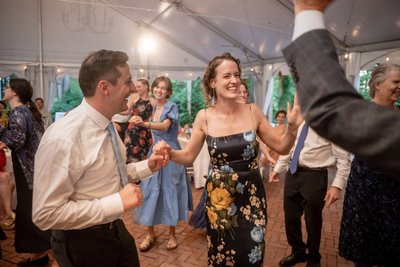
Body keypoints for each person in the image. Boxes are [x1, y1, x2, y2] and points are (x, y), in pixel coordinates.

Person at [154, 52, 302, 266]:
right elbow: (188, 156)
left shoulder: (253, 112)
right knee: (222, 255)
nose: (234, 80)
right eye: (226, 76)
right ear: (213, 82)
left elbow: (282, 146)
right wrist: (170, 152)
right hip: (219, 202)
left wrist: (293, 128)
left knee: (253, 254)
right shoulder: (204, 116)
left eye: (237, 75)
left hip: (252, 199)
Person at [32, 50, 168, 267]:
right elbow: (45, 214)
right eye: (128, 82)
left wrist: (147, 166)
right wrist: (116, 202)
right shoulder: (64, 138)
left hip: (116, 231)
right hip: (83, 244)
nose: (134, 88)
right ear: (104, 87)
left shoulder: (107, 124)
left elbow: (109, 173)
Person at [282, 0, 400, 180]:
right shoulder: (367, 109)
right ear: (377, 84)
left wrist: (309, 10)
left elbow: (331, 109)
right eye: (396, 81)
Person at [339, 63, 400, 267]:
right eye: (396, 82)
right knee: (364, 247)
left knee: (392, 246)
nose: (399, 86)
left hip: (394, 191)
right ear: (378, 84)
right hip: (366, 189)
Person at [269, 120, 351, 267]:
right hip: (292, 174)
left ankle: (314, 259)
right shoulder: (297, 121)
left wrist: (337, 185)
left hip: (315, 176)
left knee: (313, 221)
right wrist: (277, 169)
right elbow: (289, 148)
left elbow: (343, 159)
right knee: (290, 217)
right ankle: (298, 252)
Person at [129, 76, 193, 252]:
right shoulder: (154, 107)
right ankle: (151, 233)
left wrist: (144, 123)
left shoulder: (171, 106)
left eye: (163, 88)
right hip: (154, 153)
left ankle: (172, 235)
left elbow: (165, 127)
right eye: (157, 87)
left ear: (168, 92)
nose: (159, 90)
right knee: (149, 191)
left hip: (170, 154)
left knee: (170, 191)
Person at [1, 79, 53, 266]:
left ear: (15, 92)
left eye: (7, 88)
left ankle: (47, 251)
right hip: (33, 169)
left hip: (27, 171)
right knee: (28, 210)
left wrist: (0, 131)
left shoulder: (18, 112)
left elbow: (18, 140)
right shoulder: (28, 111)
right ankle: (40, 254)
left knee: (30, 211)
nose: (4, 90)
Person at [124, 78, 154, 163]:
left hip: (146, 132)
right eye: (136, 86)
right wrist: (113, 110)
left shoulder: (153, 101)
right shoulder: (134, 97)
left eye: (139, 86)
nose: (136, 88)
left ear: (146, 87)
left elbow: (155, 119)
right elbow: (126, 111)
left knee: (145, 157)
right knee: (130, 155)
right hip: (133, 130)